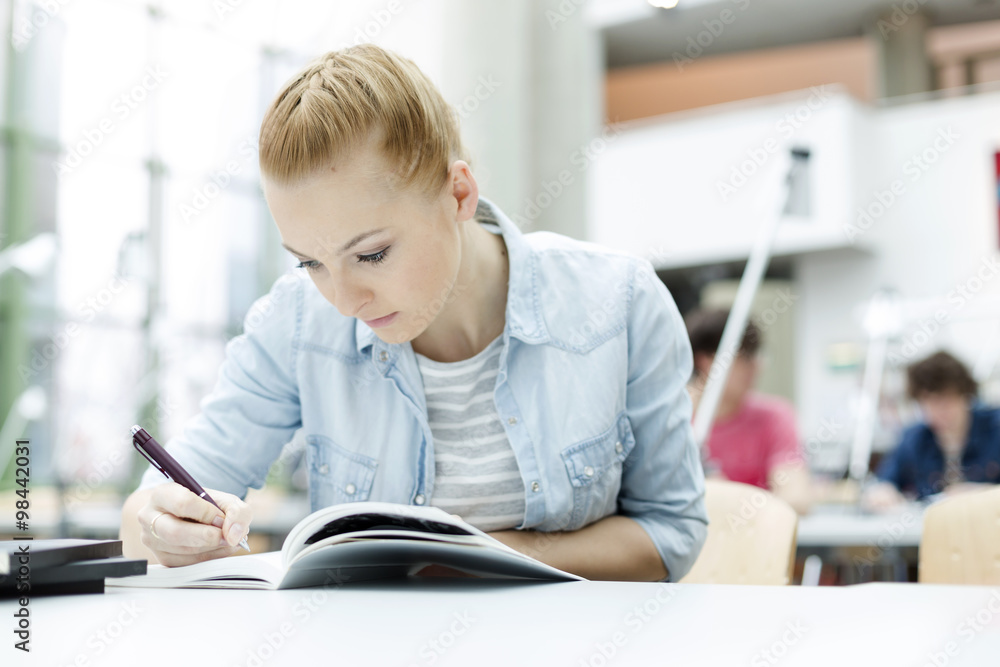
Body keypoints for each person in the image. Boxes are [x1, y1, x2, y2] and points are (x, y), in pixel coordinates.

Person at [118, 44, 707, 582]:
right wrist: (164, 525)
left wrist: (477, 557)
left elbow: (672, 533)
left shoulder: (620, 301)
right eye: (310, 263)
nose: (344, 301)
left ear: (458, 195)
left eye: (371, 253)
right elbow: (143, 516)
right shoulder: (294, 323)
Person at [685, 309, 812, 514]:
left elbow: (797, 498)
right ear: (705, 362)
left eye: (758, 355)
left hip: (754, 541)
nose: (757, 365)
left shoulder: (775, 417)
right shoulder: (671, 420)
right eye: (744, 356)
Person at [863, 351, 1000, 512]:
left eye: (946, 400)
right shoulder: (914, 438)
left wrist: (984, 493)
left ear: (965, 395)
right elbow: (884, 481)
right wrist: (882, 491)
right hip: (934, 531)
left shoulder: (995, 428)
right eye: (929, 402)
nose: (938, 411)